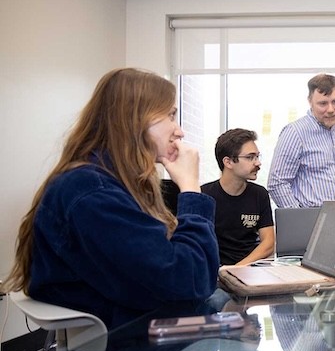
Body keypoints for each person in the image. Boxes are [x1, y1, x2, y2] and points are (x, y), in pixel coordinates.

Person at [0, 68, 220, 330]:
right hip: (126, 344)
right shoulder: (94, 192)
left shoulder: (103, 183)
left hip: (139, 326)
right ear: (135, 119)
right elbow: (190, 281)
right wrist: (191, 189)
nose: (180, 131)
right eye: (171, 115)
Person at [267, 73, 335, 251]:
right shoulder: (295, 132)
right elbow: (277, 182)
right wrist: (300, 217)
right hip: (315, 222)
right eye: (323, 103)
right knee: (317, 277)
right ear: (310, 101)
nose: (330, 109)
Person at [201, 128, 275, 266]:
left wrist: (238, 269)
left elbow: (269, 243)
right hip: (215, 273)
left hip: (251, 270)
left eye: (257, 156)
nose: (257, 163)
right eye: (250, 157)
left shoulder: (260, 194)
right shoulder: (204, 196)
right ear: (228, 162)